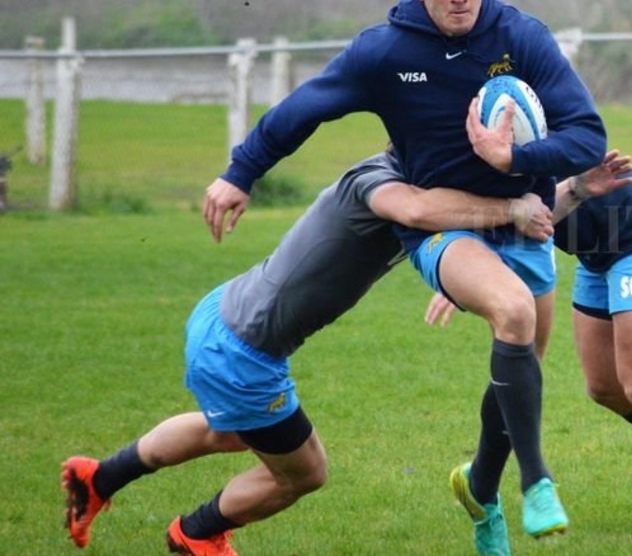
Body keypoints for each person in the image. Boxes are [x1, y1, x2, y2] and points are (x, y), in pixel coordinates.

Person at [200, 0, 607, 548]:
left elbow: (587, 136)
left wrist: (512, 160)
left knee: (519, 363)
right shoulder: (386, 51)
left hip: (525, 218)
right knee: (514, 312)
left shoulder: (521, 38)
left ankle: (482, 492)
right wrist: (241, 172)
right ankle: (537, 482)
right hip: (447, 226)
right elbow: (305, 106)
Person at [61, 151, 553, 556]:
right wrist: (511, 211)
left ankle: (100, 476)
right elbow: (421, 212)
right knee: (303, 472)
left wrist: (567, 195)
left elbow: (453, 227)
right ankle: (197, 534)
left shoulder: (416, 188)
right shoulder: (381, 184)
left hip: (224, 317)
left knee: (229, 432)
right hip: (245, 353)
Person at [428, 151, 632, 540]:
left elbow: (532, 214)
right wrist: (464, 268)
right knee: (605, 387)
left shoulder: (503, 138)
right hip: (597, 256)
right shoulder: (456, 163)